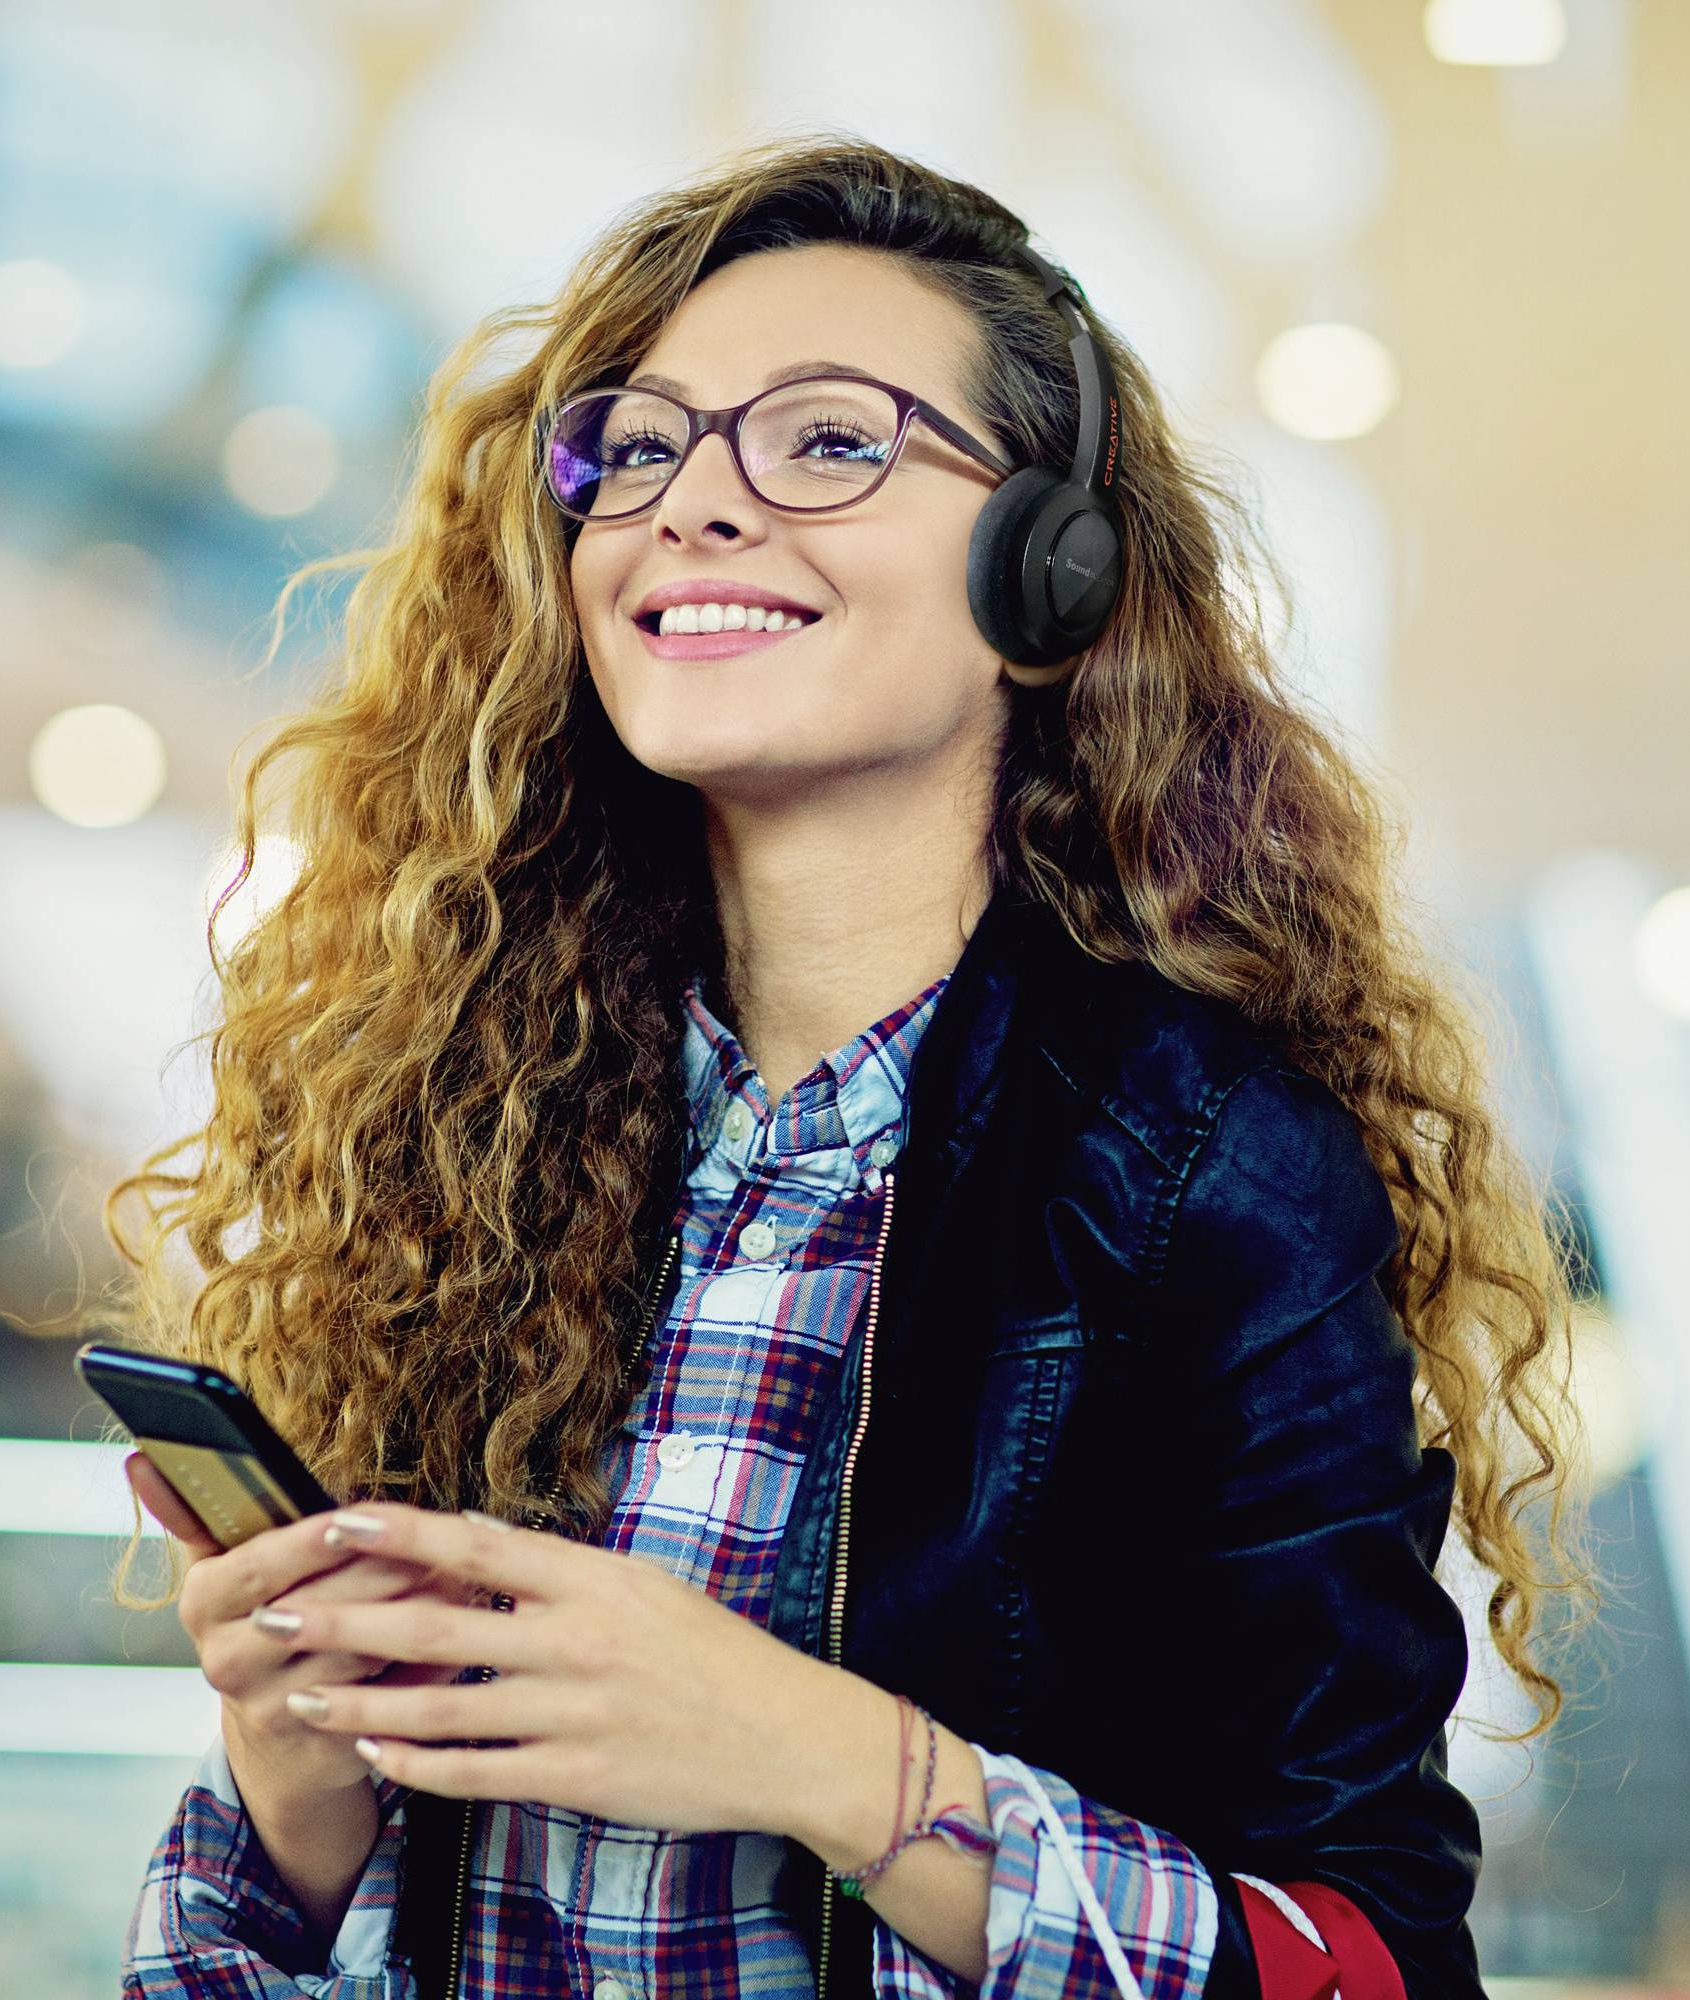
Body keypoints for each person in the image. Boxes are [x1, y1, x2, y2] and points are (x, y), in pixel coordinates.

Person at [104, 135, 1586, 2000]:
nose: (693, 509)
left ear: (1046, 577)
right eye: (638, 450)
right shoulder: (470, 1128)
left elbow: (1367, 1963)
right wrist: (300, 1781)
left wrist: (817, 1756)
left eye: (827, 441)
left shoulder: (1208, 1169)